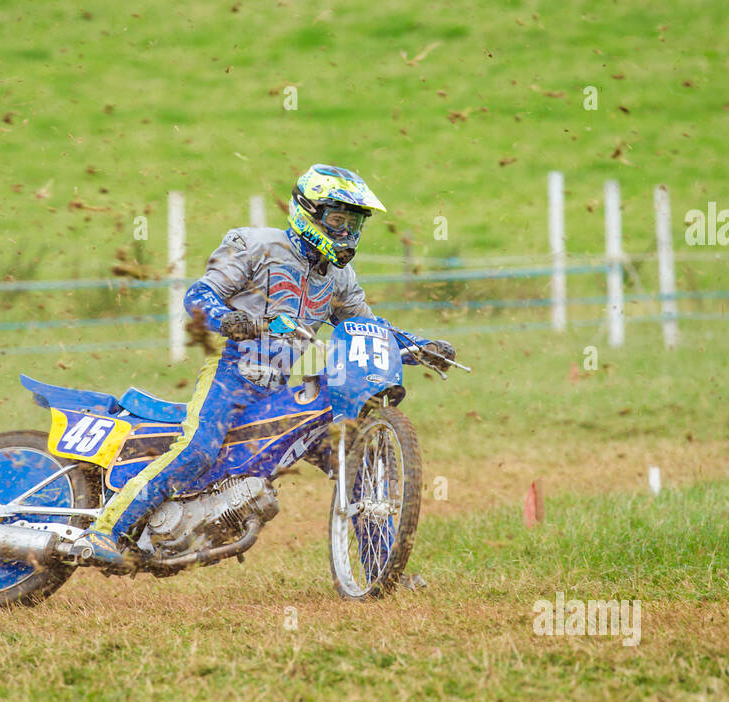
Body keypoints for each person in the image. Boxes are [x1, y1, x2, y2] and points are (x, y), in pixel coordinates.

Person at [73, 164, 456, 563]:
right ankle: (104, 532)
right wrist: (227, 320)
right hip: (232, 374)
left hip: (277, 389)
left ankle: (381, 566)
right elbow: (198, 294)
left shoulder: (341, 280)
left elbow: (366, 327)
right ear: (309, 212)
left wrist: (419, 346)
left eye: (354, 223)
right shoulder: (255, 245)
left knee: (349, 459)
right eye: (337, 219)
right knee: (199, 450)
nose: (345, 232)